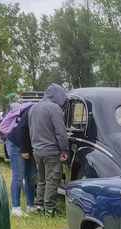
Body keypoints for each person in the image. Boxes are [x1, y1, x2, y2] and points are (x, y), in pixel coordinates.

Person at [29, 84, 69, 216]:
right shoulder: (54, 108)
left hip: (37, 149)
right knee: (52, 179)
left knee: (41, 179)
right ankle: (50, 209)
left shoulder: (34, 108)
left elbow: (31, 130)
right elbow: (61, 132)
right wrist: (64, 150)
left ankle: (39, 206)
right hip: (51, 151)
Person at [5, 101, 37, 216]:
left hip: (27, 146)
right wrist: (24, 150)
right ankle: (15, 207)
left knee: (31, 176)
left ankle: (30, 205)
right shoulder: (32, 110)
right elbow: (22, 130)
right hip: (16, 144)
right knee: (18, 176)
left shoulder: (39, 110)